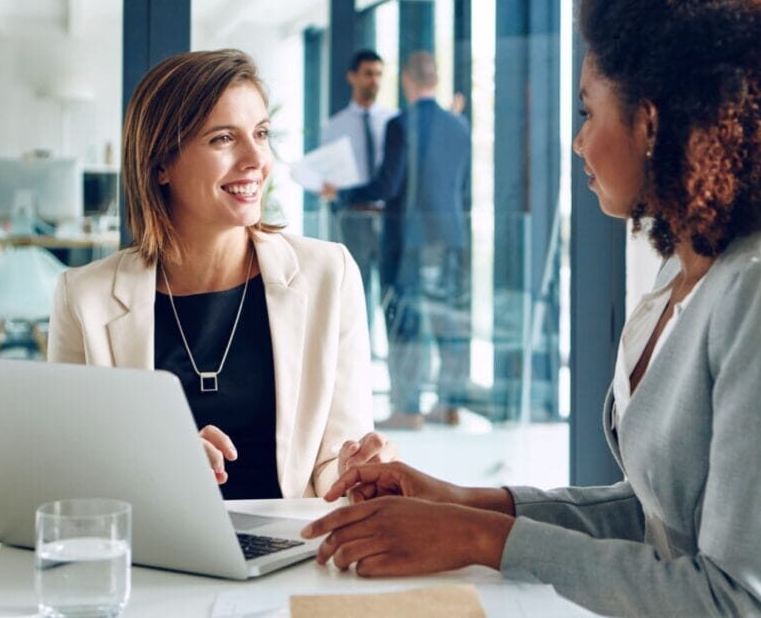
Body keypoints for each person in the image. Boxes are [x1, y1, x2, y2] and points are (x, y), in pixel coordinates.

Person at [302, 0, 761, 618]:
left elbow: (740, 604)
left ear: (650, 121)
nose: (580, 141)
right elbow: (656, 517)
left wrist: (478, 538)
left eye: (588, 112)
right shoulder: (686, 275)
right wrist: (461, 502)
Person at [48, 49, 393, 499]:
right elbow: (70, 470)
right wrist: (158, 465)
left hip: (292, 556)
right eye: (223, 139)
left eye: (262, 133)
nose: (256, 160)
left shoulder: (329, 274)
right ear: (161, 164)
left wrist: (355, 473)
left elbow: (332, 461)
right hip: (157, 555)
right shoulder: (84, 297)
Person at [323, 52, 471, 430]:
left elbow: (387, 185)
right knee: (445, 319)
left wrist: (343, 195)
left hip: (408, 238)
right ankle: (449, 403)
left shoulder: (400, 125)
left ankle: (407, 408)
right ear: (435, 79)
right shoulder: (459, 126)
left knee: (405, 321)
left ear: (406, 80)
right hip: (451, 236)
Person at [318, 50, 398, 329]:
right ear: (352, 77)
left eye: (378, 74)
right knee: (354, 292)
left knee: (393, 294)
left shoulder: (394, 121)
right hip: (352, 218)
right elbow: (326, 175)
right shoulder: (334, 127)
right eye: (368, 74)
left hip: (390, 218)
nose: (374, 81)